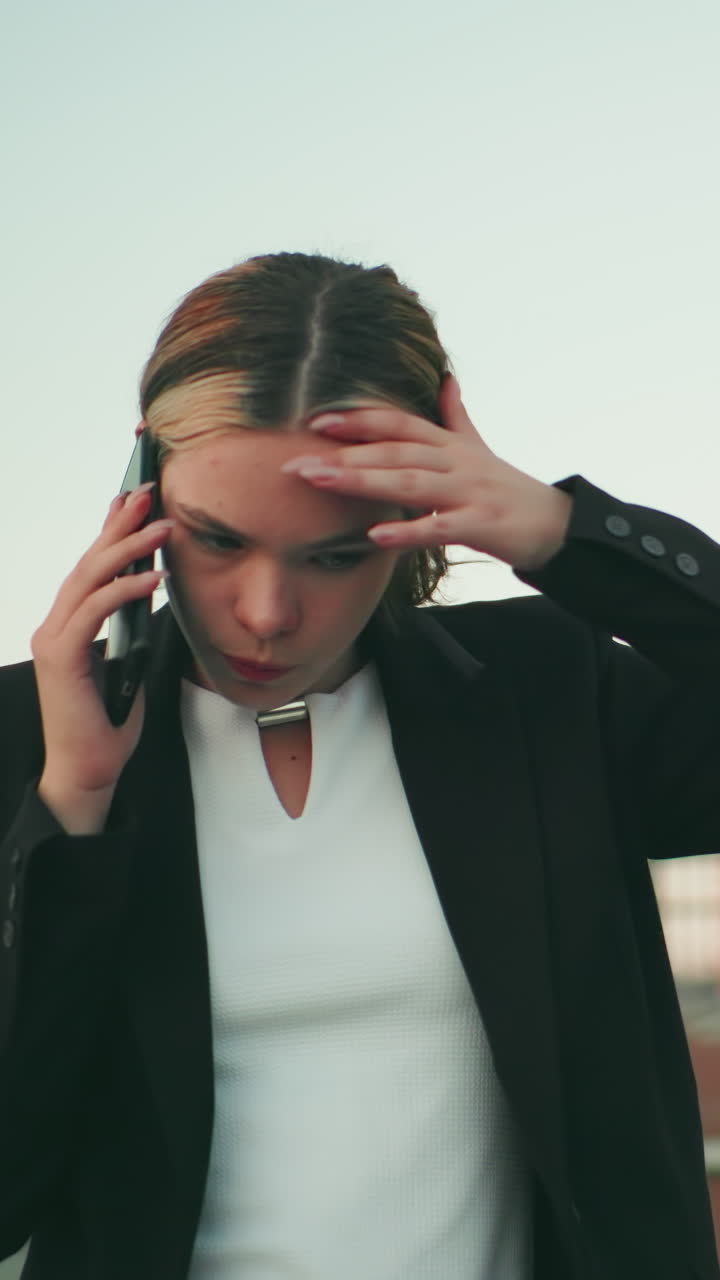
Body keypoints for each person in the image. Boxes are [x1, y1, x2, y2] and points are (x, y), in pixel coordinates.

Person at [1, 252, 719, 1280]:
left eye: (335, 553)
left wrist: (567, 533)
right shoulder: (29, 740)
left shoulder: (546, 691)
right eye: (216, 539)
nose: (265, 612)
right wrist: (69, 806)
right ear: (144, 489)